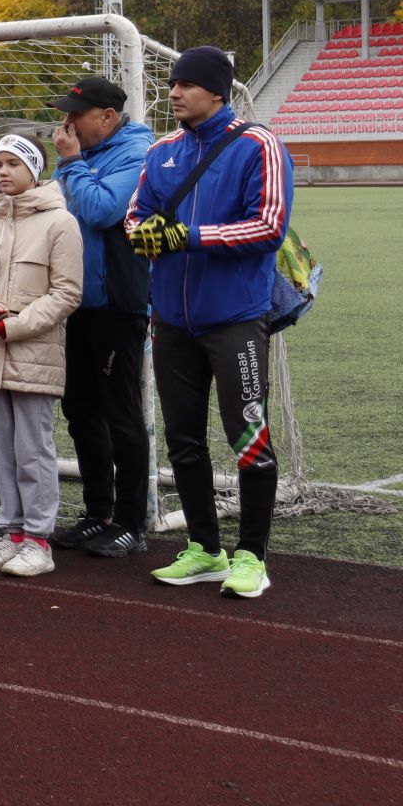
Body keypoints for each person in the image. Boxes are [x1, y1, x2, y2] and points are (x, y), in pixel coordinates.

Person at [126, 46, 294, 599]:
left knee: (248, 436)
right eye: (172, 84)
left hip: (236, 320)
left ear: (216, 92)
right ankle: (204, 548)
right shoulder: (163, 149)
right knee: (183, 439)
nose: (173, 92)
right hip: (172, 319)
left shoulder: (258, 144)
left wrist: (188, 236)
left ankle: (252, 556)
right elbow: (136, 214)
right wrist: (142, 233)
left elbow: (268, 226)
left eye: (186, 84)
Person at [0, 134, 83, 578]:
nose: (3, 172)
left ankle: (39, 540)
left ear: (34, 170)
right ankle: (11, 530)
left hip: (33, 352)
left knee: (33, 449)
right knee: (1, 451)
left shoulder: (60, 222)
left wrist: (14, 324)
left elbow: (67, 294)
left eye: (12, 164)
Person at [44, 76, 157, 558]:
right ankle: (98, 514)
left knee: (121, 415)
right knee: (81, 412)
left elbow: (103, 210)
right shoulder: (85, 158)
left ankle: (131, 522)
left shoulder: (138, 154)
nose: (67, 123)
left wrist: (70, 163)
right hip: (75, 304)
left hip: (117, 304)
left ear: (107, 117)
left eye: (77, 114)